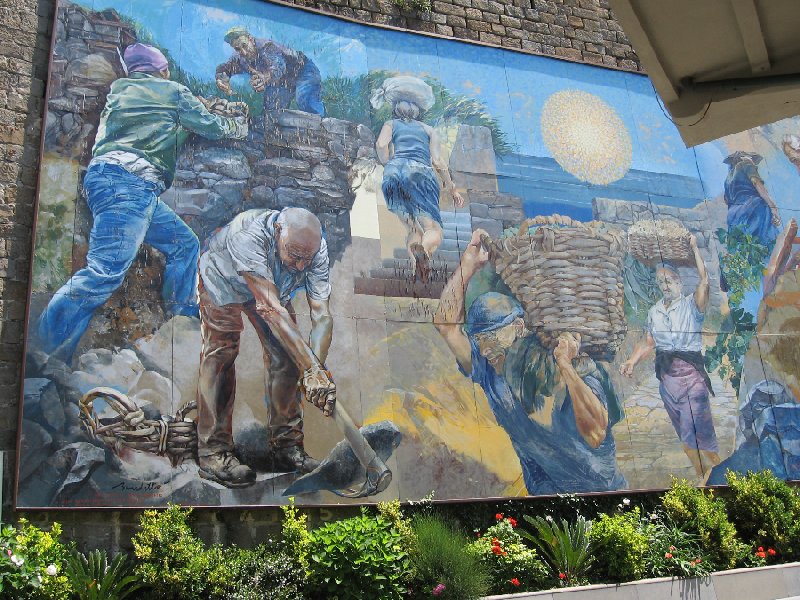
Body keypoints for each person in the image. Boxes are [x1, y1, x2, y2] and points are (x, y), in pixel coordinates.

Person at [36, 43, 248, 362]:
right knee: (104, 272)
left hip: (113, 181)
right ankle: (43, 346)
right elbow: (212, 127)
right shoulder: (173, 92)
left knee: (184, 244)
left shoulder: (120, 93)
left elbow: (151, 128)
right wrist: (237, 126)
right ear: (162, 70)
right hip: (130, 185)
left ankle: (181, 320)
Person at [434, 230, 626, 494]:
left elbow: (595, 434)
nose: (485, 346)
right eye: (479, 339)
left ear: (519, 326)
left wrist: (566, 367)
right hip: (544, 499)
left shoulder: (559, 362)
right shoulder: (489, 371)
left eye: (493, 335)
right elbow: (446, 327)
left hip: (601, 494)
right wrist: (467, 266)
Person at [196, 207, 335, 488]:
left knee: (288, 357)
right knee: (221, 354)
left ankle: (286, 448)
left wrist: (315, 372)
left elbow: (321, 314)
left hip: (271, 292)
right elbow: (269, 307)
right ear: (277, 231)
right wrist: (311, 369)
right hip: (222, 283)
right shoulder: (248, 235)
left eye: (305, 260)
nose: (299, 266)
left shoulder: (316, 249)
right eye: (294, 255)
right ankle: (213, 452)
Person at [619, 236, 721, 479]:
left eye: (669, 280)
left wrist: (695, 248)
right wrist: (632, 361)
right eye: (660, 281)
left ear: (679, 282)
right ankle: (706, 476)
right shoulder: (654, 312)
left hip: (692, 379)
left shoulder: (691, 306)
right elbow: (648, 342)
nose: (665, 285)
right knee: (684, 437)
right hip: (668, 383)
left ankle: (715, 476)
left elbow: (705, 280)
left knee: (696, 434)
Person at [373, 76, 464, 282]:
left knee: (413, 227)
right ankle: (423, 250)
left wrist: (388, 162)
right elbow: (438, 162)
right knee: (432, 228)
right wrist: (452, 188)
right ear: (418, 110)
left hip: (394, 175)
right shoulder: (429, 130)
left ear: (396, 108)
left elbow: (380, 144)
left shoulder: (390, 124)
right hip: (421, 176)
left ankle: (417, 270)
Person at [216, 26, 325, 116]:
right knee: (271, 111)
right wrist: (221, 79)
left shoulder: (267, 47)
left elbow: (278, 67)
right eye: (237, 49)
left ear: (250, 39)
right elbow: (226, 68)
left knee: (305, 100)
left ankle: (322, 130)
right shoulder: (238, 58)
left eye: (244, 45)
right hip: (281, 81)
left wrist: (264, 78)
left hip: (304, 71)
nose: (243, 52)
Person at [723, 151, 781, 249]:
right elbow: (756, 183)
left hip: (733, 215)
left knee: (742, 249)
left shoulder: (728, 178)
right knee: (766, 244)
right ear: (745, 158)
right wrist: (773, 207)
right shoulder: (746, 164)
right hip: (753, 208)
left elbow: (726, 200)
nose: (754, 163)